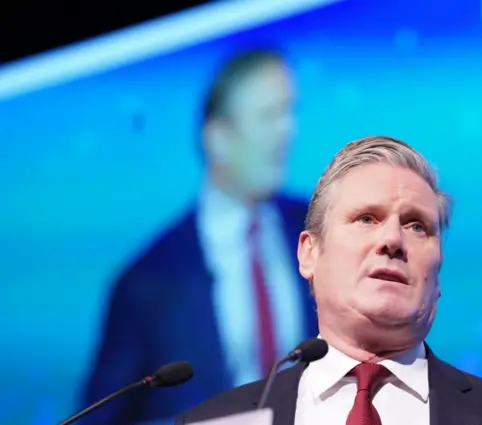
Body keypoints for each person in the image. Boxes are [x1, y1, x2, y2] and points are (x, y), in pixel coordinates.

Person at [174, 136, 482, 425]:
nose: (392, 240)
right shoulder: (216, 422)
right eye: (366, 219)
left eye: (417, 226)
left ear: (438, 272)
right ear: (309, 252)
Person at [80, 47, 318, 425]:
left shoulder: (321, 227)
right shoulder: (145, 284)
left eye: (290, 112)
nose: (288, 130)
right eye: (269, 115)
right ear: (218, 137)